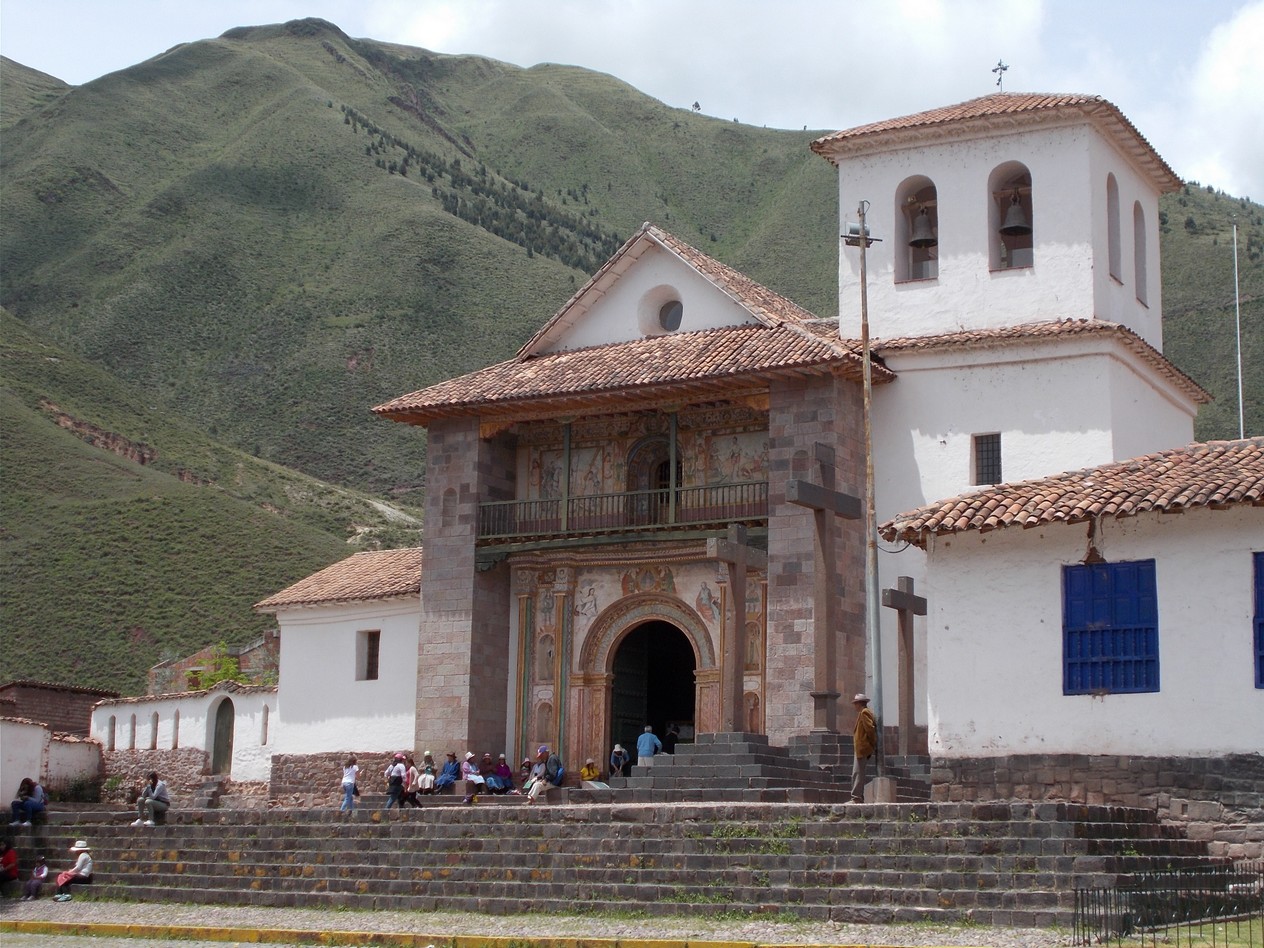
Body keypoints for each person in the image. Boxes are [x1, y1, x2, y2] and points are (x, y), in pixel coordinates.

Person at [850, 693, 877, 804]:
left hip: (862, 748)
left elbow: (870, 729)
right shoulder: (863, 712)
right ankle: (858, 797)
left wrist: (870, 744)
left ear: (860, 704)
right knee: (857, 772)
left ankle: (856, 797)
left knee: (857, 773)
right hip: (861, 748)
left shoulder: (865, 712)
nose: (854, 706)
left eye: (855, 703)